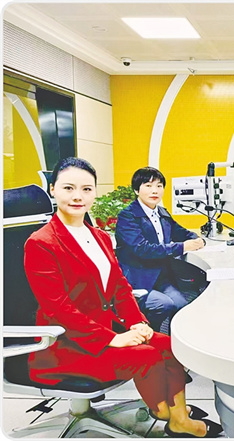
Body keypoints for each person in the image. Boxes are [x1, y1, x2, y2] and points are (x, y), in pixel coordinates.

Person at [24, 157, 222, 438]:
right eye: (68, 188)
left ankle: (179, 419)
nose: (78, 196)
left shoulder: (100, 237)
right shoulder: (41, 243)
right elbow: (58, 308)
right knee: (148, 355)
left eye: (86, 189)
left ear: (94, 192)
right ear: (53, 190)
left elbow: (119, 287)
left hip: (106, 328)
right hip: (67, 346)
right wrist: (110, 338)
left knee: (170, 346)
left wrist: (137, 322)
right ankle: (165, 412)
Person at [115, 167, 206, 333]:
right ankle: (148, 335)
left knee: (181, 305)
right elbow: (142, 249)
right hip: (137, 278)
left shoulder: (162, 213)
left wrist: (197, 240)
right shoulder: (127, 216)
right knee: (164, 304)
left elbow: (181, 232)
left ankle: (170, 342)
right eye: (148, 186)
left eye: (159, 186)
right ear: (136, 190)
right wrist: (182, 247)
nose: (155, 190)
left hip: (160, 277)